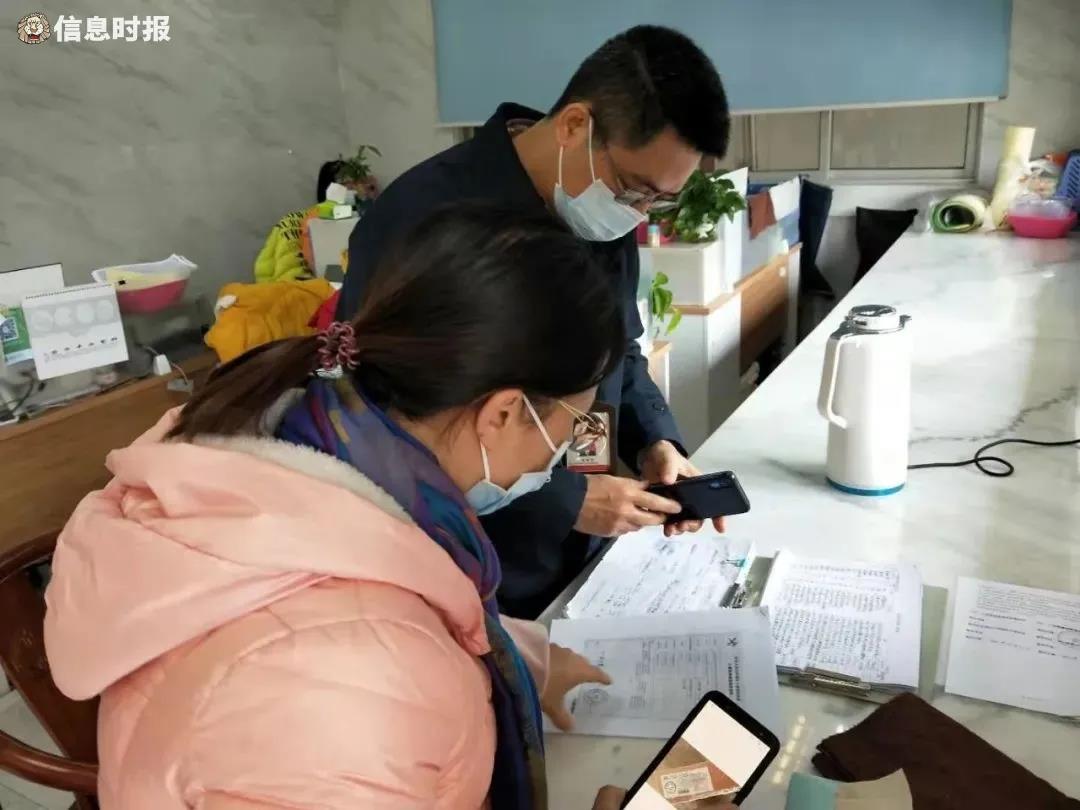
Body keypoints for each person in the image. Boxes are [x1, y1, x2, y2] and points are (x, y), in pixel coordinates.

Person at [44, 205, 627, 809]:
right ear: (503, 413)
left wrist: (522, 661)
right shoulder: (350, 683)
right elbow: (344, 668)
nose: (565, 450)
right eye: (572, 425)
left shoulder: (286, 439)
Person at [335, 25, 733, 617]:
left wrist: (656, 441)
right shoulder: (424, 218)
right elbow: (383, 417)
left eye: (658, 200)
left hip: (585, 554)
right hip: (480, 564)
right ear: (575, 126)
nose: (639, 212)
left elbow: (618, 352)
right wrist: (566, 500)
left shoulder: (605, 215)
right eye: (635, 190)